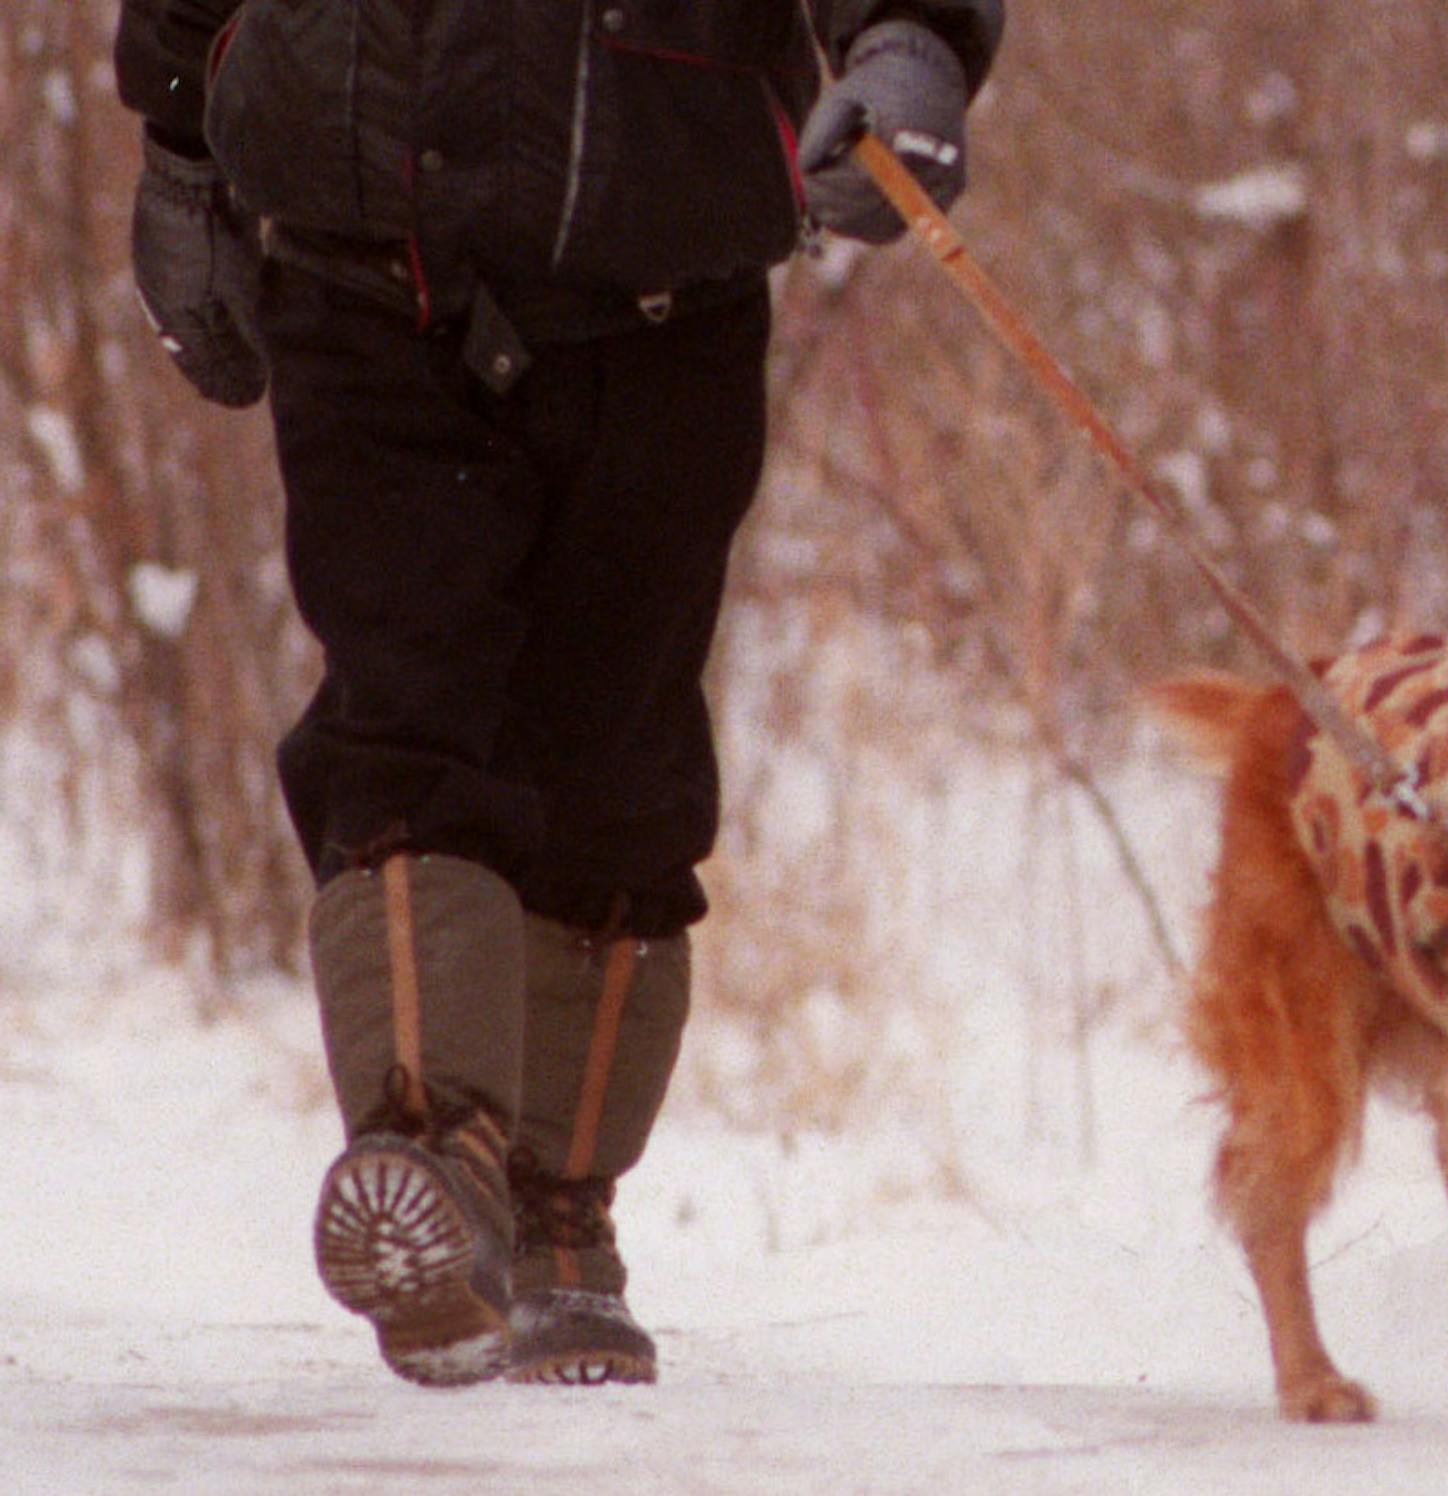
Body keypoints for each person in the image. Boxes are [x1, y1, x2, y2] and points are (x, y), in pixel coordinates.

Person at [112, 0, 1004, 1387]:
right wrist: (178, 142)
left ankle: (555, 1217)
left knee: (616, 762)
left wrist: (908, 47)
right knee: (401, 719)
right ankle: (432, 1165)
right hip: (363, 281)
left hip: (663, 298)